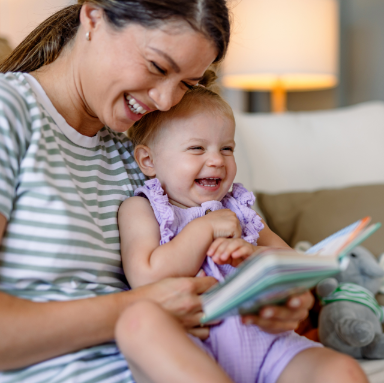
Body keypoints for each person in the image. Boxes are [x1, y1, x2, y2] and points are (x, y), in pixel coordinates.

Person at [0, 1, 315, 382]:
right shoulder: (10, 112)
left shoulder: (141, 154)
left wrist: (282, 299)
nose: (165, 101)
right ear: (94, 17)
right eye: (157, 67)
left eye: (186, 84)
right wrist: (140, 305)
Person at [116, 77, 369, 383]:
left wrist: (255, 256)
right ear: (148, 160)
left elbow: (288, 258)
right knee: (141, 326)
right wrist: (204, 229)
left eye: (227, 148)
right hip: (194, 346)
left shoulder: (237, 208)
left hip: (267, 346)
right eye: (197, 148)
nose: (216, 161)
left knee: (343, 371)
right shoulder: (142, 209)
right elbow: (146, 276)